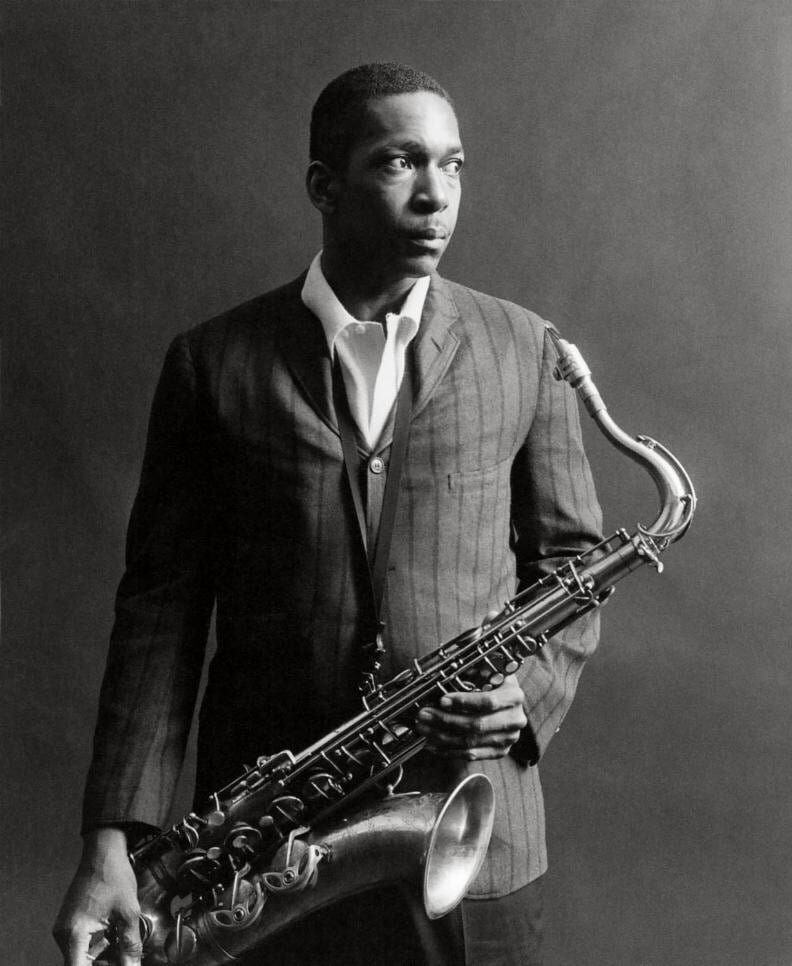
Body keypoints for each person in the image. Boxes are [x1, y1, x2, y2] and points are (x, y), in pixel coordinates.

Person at [53, 62, 603, 966]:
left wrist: (525, 697)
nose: (437, 195)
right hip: (270, 855)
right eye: (400, 162)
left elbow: (573, 568)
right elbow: (160, 615)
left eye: (453, 165)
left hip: (475, 831)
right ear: (323, 185)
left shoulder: (524, 346)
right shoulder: (213, 363)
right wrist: (111, 839)